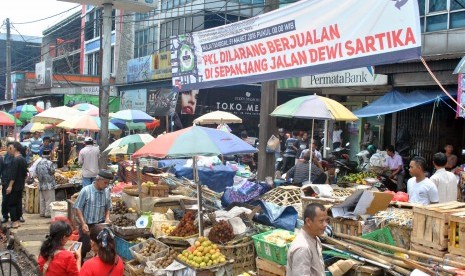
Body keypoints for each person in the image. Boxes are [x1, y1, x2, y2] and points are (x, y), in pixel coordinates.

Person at [73, 169, 113, 260]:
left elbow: (108, 207)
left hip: (99, 225)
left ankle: (97, 266)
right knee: (84, 247)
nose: (106, 185)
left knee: (101, 247)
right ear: (98, 180)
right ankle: (79, 265)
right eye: (105, 183)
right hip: (87, 224)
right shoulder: (86, 191)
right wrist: (83, 223)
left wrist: (107, 217)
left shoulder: (106, 192)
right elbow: (78, 207)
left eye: (108, 183)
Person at [286, 203, 327, 276]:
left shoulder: (316, 238)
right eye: (321, 221)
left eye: (326, 220)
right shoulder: (302, 248)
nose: (325, 224)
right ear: (308, 221)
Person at [5, 142, 28, 228]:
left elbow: (13, 175)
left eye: (11, 147)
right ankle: (17, 220)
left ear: (15, 149)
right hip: (20, 184)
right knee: (18, 202)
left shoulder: (15, 160)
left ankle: (14, 221)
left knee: (11, 203)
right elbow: (25, 174)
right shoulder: (23, 159)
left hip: (14, 185)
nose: (10, 149)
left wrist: (10, 186)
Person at [36, 150, 56, 218]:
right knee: (49, 199)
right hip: (49, 184)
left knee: (42, 199)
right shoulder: (49, 163)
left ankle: (42, 212)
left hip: (41, 184)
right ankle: (48, 213)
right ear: (49, 155)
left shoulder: (38, 163)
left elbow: (36, 172)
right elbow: (53, 171)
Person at [0, 141, 14, 224]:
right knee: (5, 199)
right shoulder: (4, 157)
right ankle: (5, 216)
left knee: (15, 199)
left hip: (14, 181)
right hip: (5, 181)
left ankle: (16, 216)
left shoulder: (17, 157)